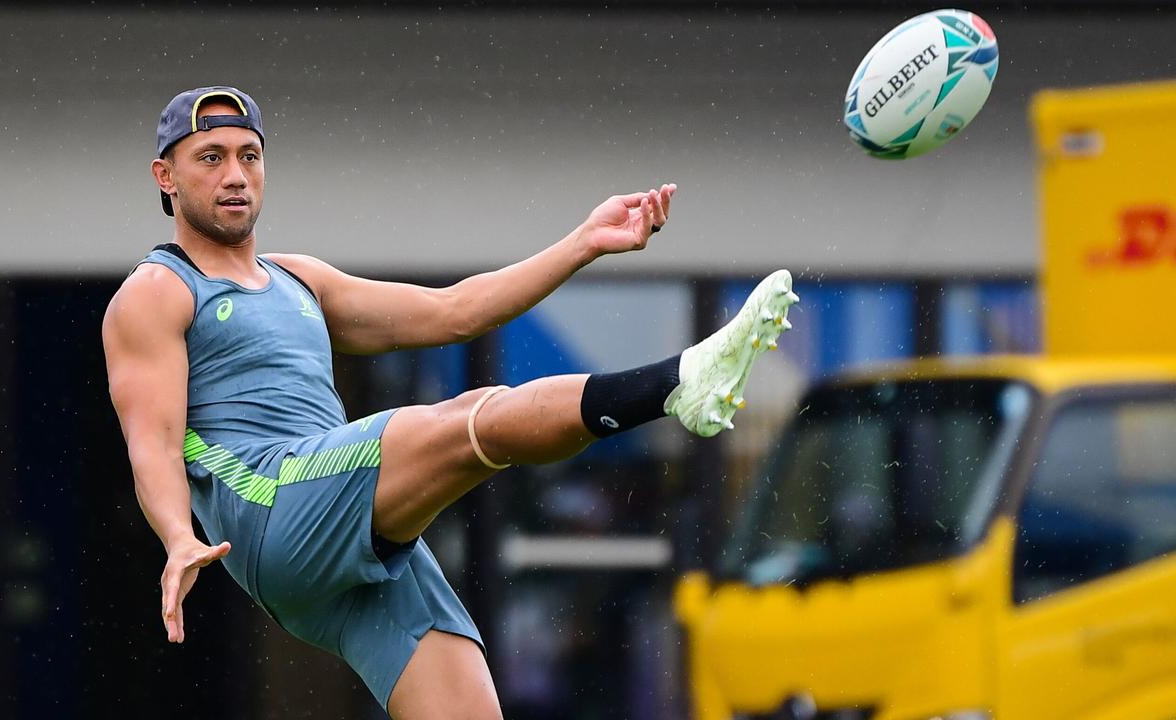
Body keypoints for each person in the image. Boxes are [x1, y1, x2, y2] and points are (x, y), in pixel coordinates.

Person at [102, 85, 797, 719]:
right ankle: (679, 383)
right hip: (272, 508)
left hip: (338, 532)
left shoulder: (298, 278)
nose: (234, 175)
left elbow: (457, 310)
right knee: (468, 420)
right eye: (210, 158)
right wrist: (176, 537)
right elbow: (153, 442)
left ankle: (678, 384)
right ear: (166, 177)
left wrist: (584, 243)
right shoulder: (157, 292)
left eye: (249, 156)